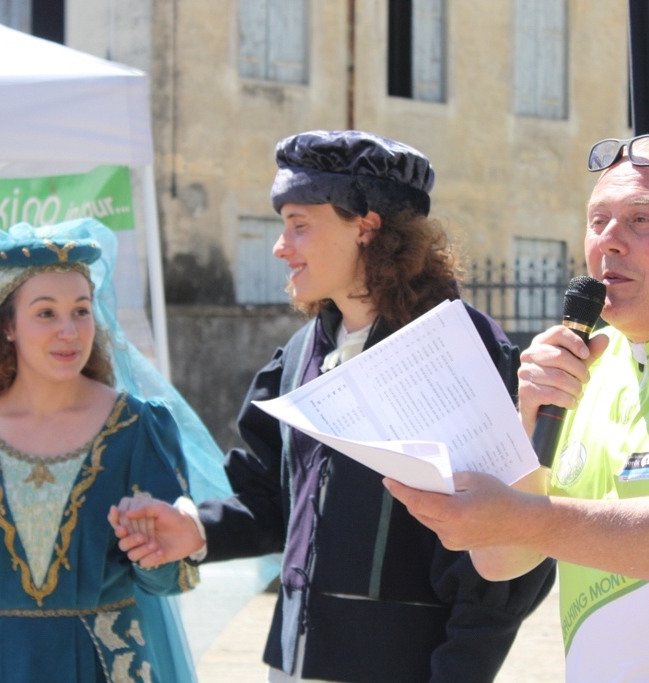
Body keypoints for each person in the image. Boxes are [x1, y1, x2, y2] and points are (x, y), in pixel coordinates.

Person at [112, 130, 556, 682]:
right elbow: (273, 500)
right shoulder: (301, 353)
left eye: (299, 225)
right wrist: (195, 529)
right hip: (290, 666)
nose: (280, 246)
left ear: (366, 227)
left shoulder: (458, 348)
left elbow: (510, 543)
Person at [385, 134, 649, 682]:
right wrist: (526, 423)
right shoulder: (578, 365)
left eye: (642, 219)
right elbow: (501, 562)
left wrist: (521, 516)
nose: (609, 242)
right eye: (597, 221)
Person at [0, 219, 230, 683]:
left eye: (81, 310)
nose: (69, 331)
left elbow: (167, 579)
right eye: (46, 313)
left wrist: (151, 549)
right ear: (7, 326)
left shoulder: (137, 428)